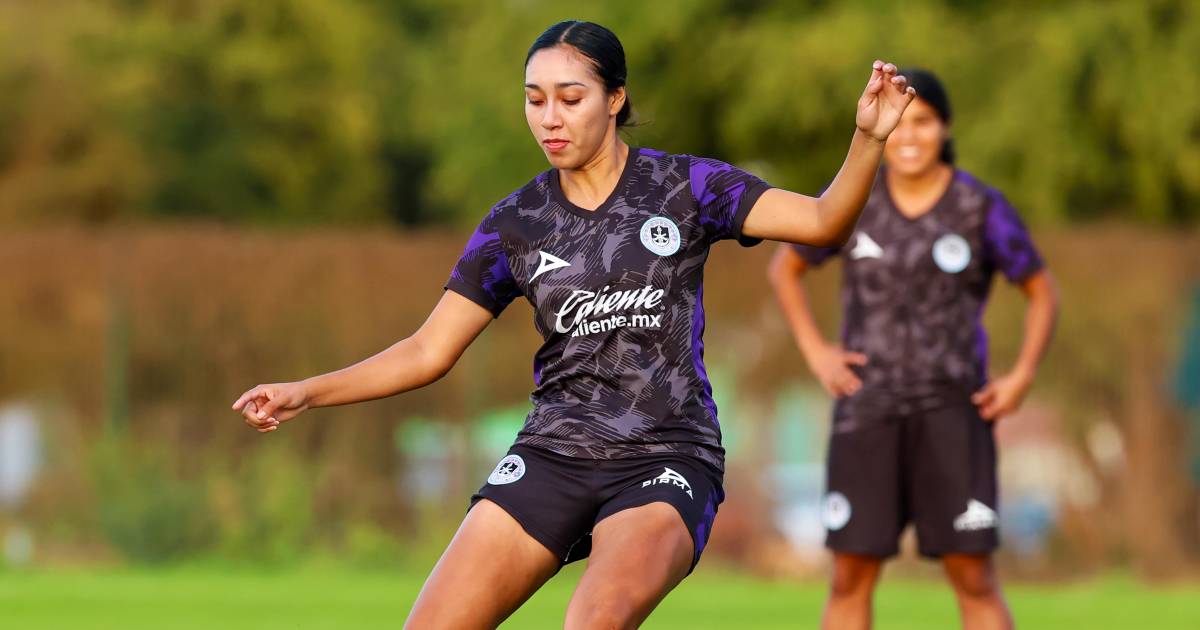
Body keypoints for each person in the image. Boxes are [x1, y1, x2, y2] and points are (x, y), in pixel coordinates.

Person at [233, 20, 915, 629]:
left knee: (595, 620)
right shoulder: (515, 223)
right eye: (535, 100)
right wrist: (307, 391)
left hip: (665, 457)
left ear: (615, 99)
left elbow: (822, 220)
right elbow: (426, 350)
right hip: (553, 453)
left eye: (570, 98)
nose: (549, 118)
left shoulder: (686, 187)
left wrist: (867, 139)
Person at [768, 69, 1059, 630]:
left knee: (973, 577)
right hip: (866, 409)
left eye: (923, 122)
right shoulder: (858, 199)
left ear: (944, 128)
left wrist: (1022, 374)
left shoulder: (979, 207)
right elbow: (787, 267)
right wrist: (816, 350)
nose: (909, 135)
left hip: (953, 410)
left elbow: (1042, 291)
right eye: (901, 121)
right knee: (850, 576)